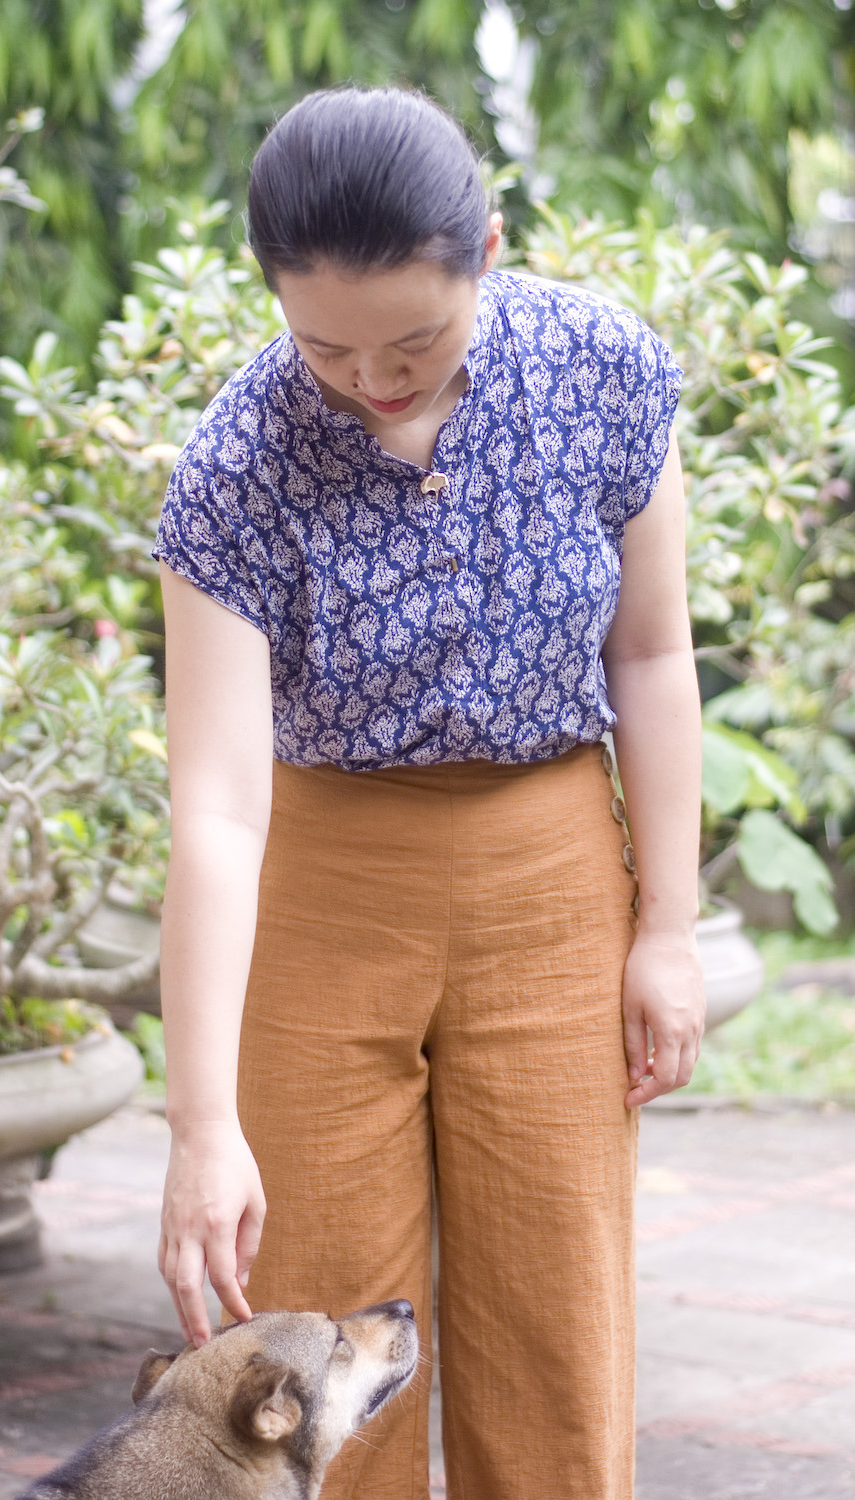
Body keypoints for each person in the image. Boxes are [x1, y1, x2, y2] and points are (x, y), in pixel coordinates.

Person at [152, 86, 705, 1500]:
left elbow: (651, 655)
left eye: (413, 340)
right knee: (321, 1353)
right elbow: (217, 811)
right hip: (322, 894)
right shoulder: (236, 463)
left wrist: (668, 929)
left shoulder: (602, 374)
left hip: (551, 881)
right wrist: (200, 1124)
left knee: (558, 1329)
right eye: (324, 345)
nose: (370, 379)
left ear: (487, 251)